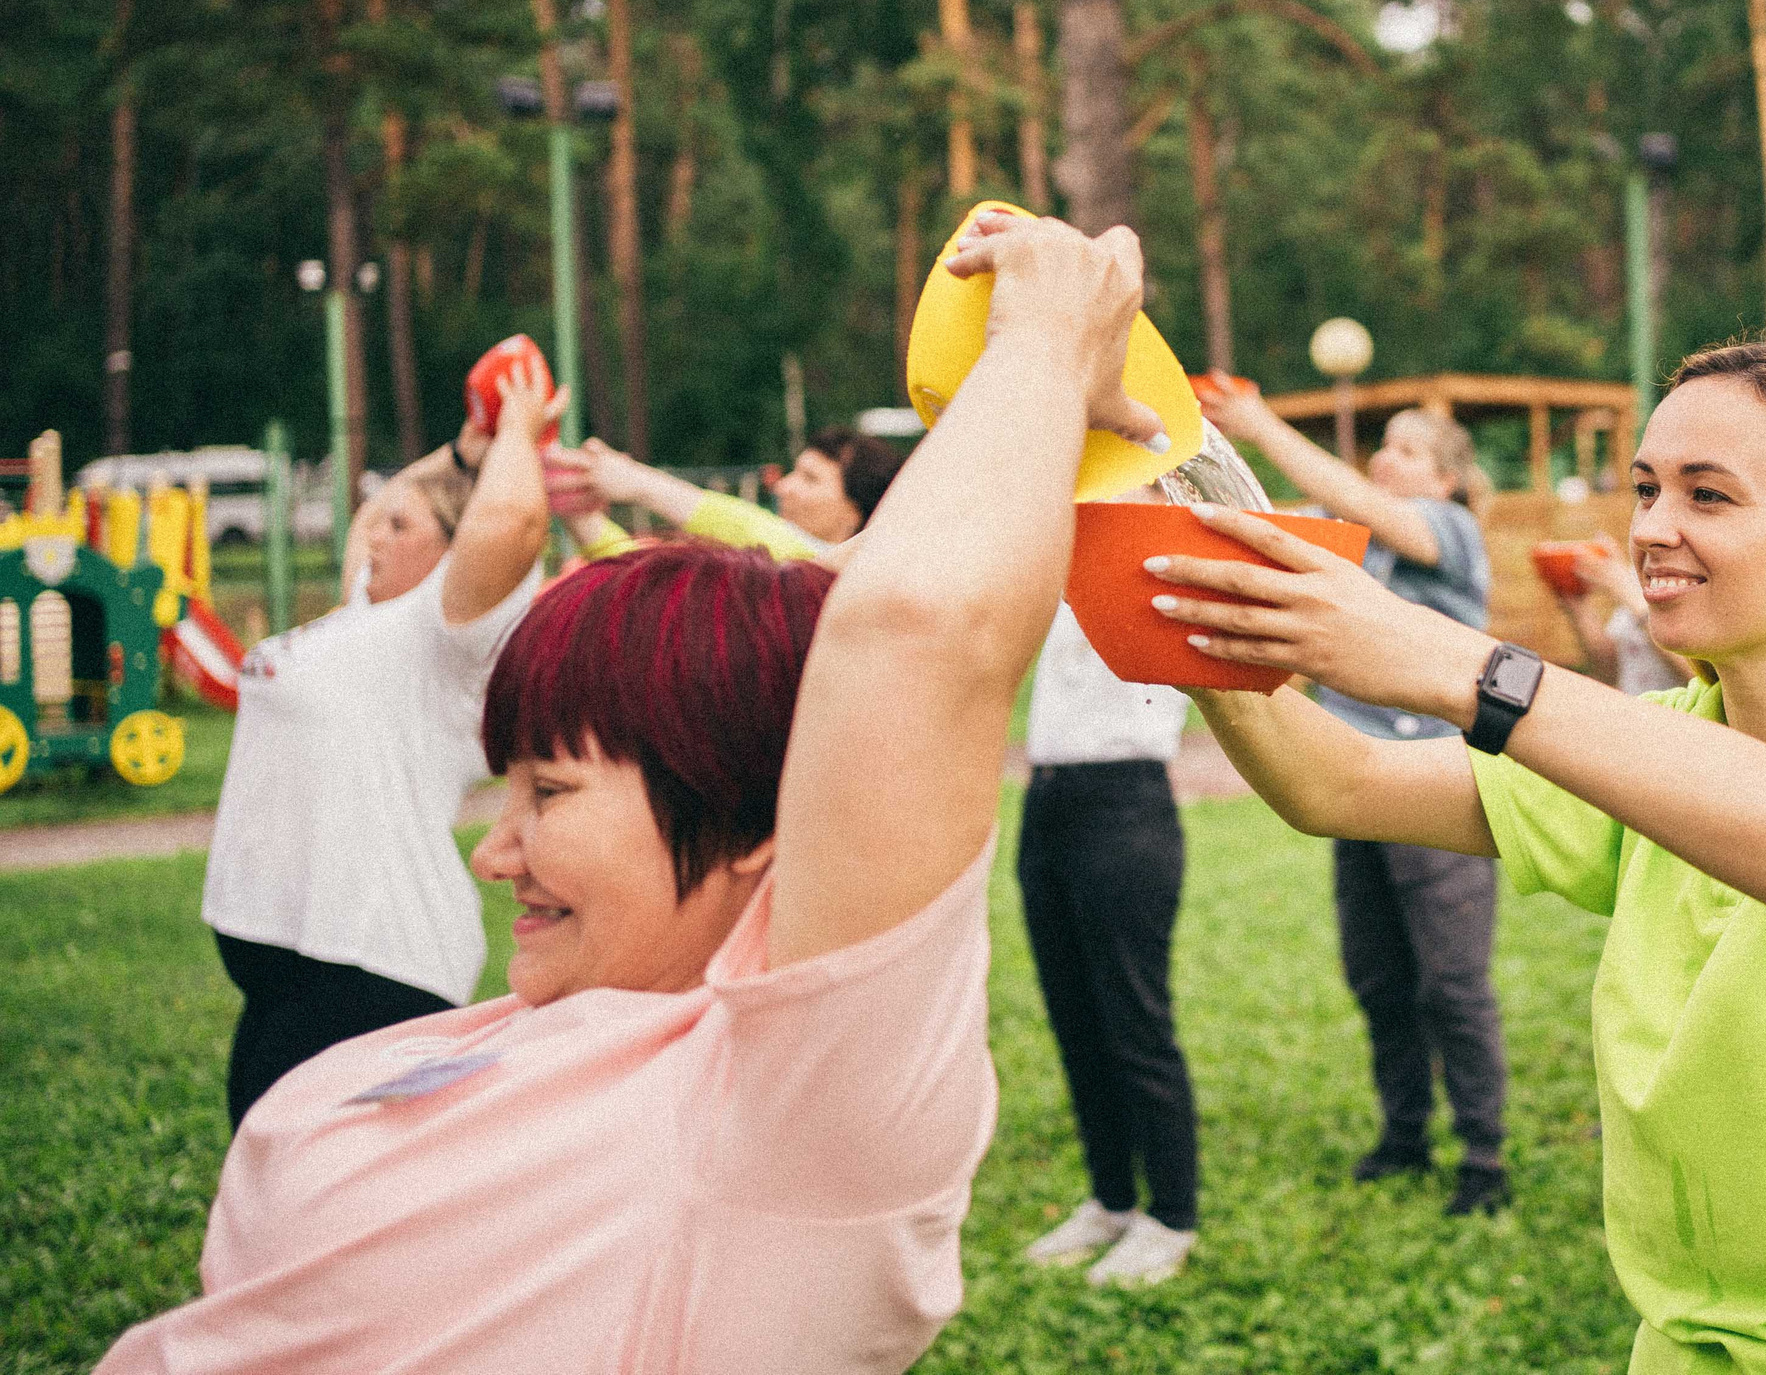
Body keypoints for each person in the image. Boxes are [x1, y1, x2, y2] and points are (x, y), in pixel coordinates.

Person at [101, 209, 1170, 1373]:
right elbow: (810, 627)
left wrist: (1046, 339)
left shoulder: (790, 1118)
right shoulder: (569, 1020)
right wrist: (1030, 408)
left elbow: (921, 637)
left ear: (759, 823)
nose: (492, 855)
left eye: (549, 793)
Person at [1157, 335, 1766, 1373]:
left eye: (1707, 496)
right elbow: (1338, 784)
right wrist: (1188, 595)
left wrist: (1469, 670)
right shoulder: (1655, 739)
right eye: (1646, 489)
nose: (1651, 528)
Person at [198, 369, 553, 1129]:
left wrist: (519, 424)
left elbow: (515, 526)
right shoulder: (365, 610)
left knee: (321, 1209)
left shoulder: (444, 640)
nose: (377, 533)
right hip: (287, 967)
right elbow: (373, 515)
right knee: (264, 1191)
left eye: (404, 526)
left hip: (373, 968)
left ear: (456, 548)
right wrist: (463, 453)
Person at [1196, 384, 1511, 1217]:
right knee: (1379, 977)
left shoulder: (1449, 529)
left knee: (1453, 983)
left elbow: (1359, 500)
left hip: (1442, 787)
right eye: (1386, 446)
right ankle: (1405, 1132)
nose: (1386, 459)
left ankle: (1484, 1154)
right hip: (1358, 789)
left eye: (1409, 451)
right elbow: (1253, 515)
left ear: (1445, 480)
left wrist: (1263, 423)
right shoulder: (1353, 545)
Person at [1015, 588, 1203, 1285]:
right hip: (1047, 799)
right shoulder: (1062, 544)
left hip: (1125, 801)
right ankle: (1113, 1200)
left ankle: (1173, 1215)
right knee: (1075, 1016)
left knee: (1135, 1020)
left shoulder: (1154, 552)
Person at [544, 425, 904, 557]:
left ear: (855, 514)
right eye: (793, 471)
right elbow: (643, 586)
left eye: (810, 478)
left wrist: (639, 482)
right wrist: (576, 506)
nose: (783, 486)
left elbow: (756, 529)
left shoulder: (836, 580)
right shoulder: (760, 584)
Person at [1552, 535, 1690, 695]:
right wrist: (1579, 608)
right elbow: (1608, 673)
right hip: (1632, 711)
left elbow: (1698, 676)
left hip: (1675, 716)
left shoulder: (1694, 579)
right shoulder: (1637, 574)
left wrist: (1629, 594)